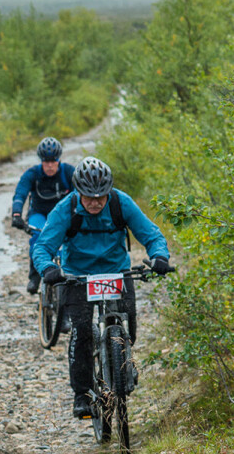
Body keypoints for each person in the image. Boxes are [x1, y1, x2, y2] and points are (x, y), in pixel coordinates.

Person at [31, 157, 171, 418]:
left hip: (117, 272)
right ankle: (82, 394)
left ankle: (123, 361)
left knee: (128, 320)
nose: (95, 202)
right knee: (82, 331)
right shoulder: (66, 209)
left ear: (108, 192)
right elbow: (43, 246)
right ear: (78, 192)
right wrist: (48, 268)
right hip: (77, 277)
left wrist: (160, 256)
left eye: (100, 197)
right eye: (88, 197)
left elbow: (151, 234)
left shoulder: (121, 202)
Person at [10, 137, 76, 294]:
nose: (50, 166)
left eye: (53, 161)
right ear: (41, 161)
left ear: (59, 160)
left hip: (62, 216)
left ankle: (72, 274)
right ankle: (35, 277)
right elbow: (20, 193)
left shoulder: (69, 172)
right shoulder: (32, 174)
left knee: (68, 243)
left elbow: (80, 194)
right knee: (37, 240)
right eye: (46, 162)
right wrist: (16, 213)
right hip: (39, 214)